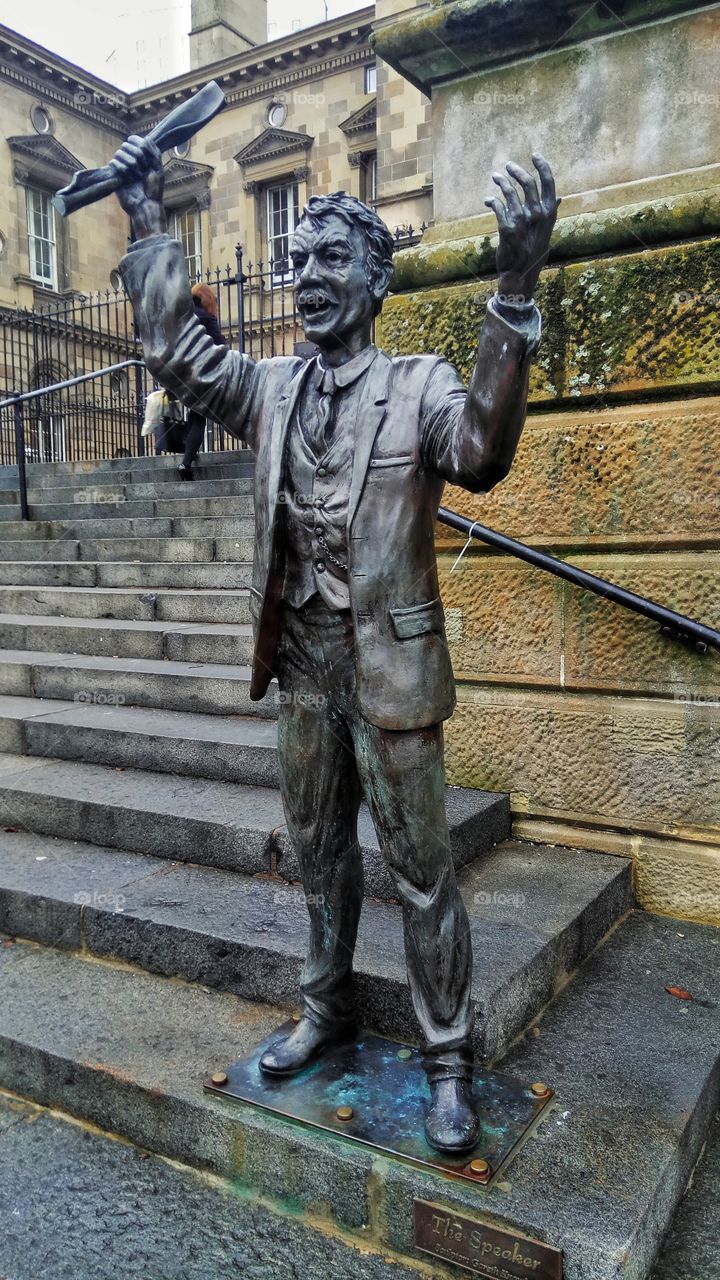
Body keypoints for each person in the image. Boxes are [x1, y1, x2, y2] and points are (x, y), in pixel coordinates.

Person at [111, 134, 559, 1154]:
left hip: (390, 666)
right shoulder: (271, 387)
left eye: (329, 259)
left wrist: (515, 287)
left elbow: (481, 452)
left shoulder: (420, 383)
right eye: (298, 260)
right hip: (305, 662)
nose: (307, 276)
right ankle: (326, 1008)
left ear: (376, 279)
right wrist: (145, 220)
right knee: (318, 853)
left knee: (422, 870)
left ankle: (447, 1057)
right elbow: (179, 356)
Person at [177, 283, 227, 478]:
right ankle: (186, 464)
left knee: (195, 415)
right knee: (200, 417)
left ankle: (188, 452)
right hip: (203, 374)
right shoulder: (206, 318)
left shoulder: (183, 318)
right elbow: (220, 346)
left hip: (184, 375)